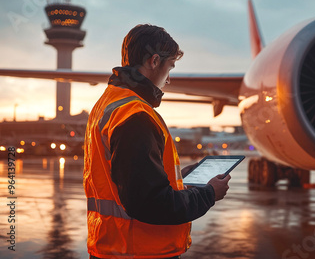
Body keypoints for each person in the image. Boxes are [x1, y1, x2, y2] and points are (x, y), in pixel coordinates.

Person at [83, 24, 231, 259]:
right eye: (170, 66)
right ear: (154, 61)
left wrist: (181, 178)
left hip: (113, 245)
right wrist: (209, 194)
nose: (169, 79)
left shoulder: (108, 104)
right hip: (140, 250)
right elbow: (149, 203)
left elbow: (128, 181)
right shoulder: (135, 115)